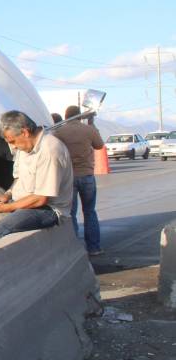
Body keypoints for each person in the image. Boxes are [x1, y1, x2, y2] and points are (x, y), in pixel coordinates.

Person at [0, 110, 73, 240]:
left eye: (13, 141)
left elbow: (41, 198)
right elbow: (19, 178)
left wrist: (6, 207)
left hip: (48, 209)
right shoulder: (25, 146)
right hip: (27, 202)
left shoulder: (50, 150)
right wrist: (7, 195)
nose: (12, 147)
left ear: (25, 132)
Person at [52, 104, 105, 255]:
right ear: (80, 115)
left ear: (66, 116)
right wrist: (91, 124)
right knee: (90, 212)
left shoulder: (59, 132)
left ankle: (75, 250)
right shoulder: (88, 130)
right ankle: (94, 248)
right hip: (87, 176)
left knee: (71, 214)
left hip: (69, 178)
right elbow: (99, 145)